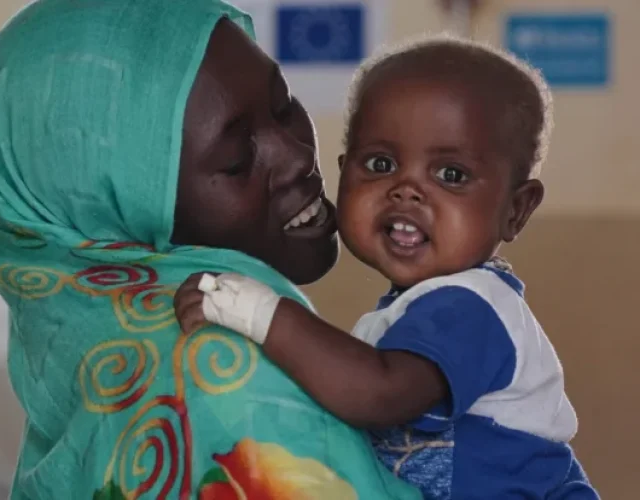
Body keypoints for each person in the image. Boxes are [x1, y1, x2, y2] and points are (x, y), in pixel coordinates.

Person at [0, 0, 421, 498]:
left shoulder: (108, 367)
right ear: (118, 215)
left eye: (283, 105)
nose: (297, 155)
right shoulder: (226, 383)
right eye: (236, 160)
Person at [175, 37, 599, 499]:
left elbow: (377, 394)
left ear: (516, 210)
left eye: (451, 175)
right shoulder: (406, 314)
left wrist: (258, 312)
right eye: (381, 164)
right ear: (344, 173)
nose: (406, 190)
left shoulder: (474, 307)